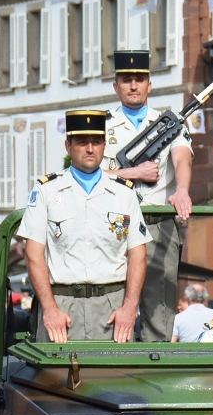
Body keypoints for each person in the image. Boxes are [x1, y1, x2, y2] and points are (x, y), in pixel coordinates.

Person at [18, 109, 151, 344]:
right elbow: (33, 255)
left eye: (97, 142)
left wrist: (130, 307)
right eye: (82, 142)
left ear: (104, 146)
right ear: (68, 146)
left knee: (114, 378)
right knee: (55, 380)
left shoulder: (123, 192)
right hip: (62, 304)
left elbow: (138, 255)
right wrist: (49, 310)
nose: (90, 149)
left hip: (112, 305)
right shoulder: (46, 190)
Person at [103, 50, 193, 343]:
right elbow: (87, 173)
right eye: (126, 80)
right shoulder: (102, 126)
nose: (133, 85)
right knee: (116, 305)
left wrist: (181, 190)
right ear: (116, 86)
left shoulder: (168, 123)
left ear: (149, 85)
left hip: (158, 221)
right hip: (115, 223)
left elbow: (182, 158)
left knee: (160, 311)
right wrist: (134, 173)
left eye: (139, 80)